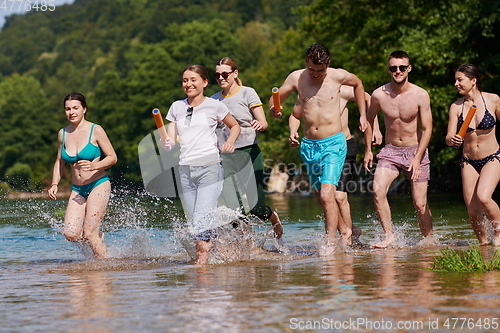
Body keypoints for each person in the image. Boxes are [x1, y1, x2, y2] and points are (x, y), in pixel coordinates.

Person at [270, 44, 368, 252]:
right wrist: (274, 109)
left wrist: (362, 114)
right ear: (307, 63)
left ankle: (330, 243)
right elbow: (277, 100)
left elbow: (359, 84)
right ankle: (346, 231)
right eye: (312, 70)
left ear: (328, 64)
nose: (315, 75)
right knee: (321, 198)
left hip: (334, 142)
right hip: (309, 146)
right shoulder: (296, 77)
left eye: (320, 71)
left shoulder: (338, 76)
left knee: (327, 195)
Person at [161, 65, 240, 265]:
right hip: (185, 170)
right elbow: (171, 138)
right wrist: (168, 143)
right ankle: (223, 249)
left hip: (210, 168)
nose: (188, 84)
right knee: (194, 222)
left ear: (204, 82)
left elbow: (235, 126)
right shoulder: (176, 107)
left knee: (201, 220)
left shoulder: (215, 106)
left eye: (193, 79)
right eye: (185, 80)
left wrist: (230, 141)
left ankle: (201, 266)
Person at [293, 87, 382, 245]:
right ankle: (348, 230)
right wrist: (293, 131)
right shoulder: (309, 92)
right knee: (323, 198)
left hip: (344, 147)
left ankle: (348, 240)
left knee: (339, 196)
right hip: (317, 149)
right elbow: (296, 114)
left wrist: (375, 125)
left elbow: (369, 99)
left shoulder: (343, 90)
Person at [363, 50, 433, 248]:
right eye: (394, 68)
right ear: (389, 70)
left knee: (419, 204)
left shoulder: (420, 95)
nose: (398, 71)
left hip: (415, 150)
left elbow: (428, 129)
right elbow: (367, 120)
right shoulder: (378, 95)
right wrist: (368, 149)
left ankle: (428, 241)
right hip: (391, 151)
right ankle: (389, 235)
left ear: (409, 68)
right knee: (377, 190)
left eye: (402, 67)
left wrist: (418, 158)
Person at [211, 57, 283, 244]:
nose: (221, 78)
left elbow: (265, 122)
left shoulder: (247, 93)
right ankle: (245, 247)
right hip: (225, 157)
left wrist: (260, 123)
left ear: (235, 74)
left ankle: (272, 216)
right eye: (217, 75)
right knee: (231, 209)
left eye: (225, 74)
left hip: (249, 152)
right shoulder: (213, 100)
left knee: (256, 208)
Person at [48, 92, 117, 259]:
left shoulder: (96, 130)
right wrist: (55, 183)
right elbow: (59, 161)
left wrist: (95, 165)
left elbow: (113, 157)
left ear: (84, 109)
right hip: (77, 189)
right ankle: (98, 245)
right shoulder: (62, 133)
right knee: (70, 233)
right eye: (67, 109)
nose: (71, 112)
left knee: (90, 232)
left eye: (75, 108)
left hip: (98, 184)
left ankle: (103, 269)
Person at [445, 64, 500, 245]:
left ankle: (498, 236)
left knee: (484, 197)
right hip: (468, 161)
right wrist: (452, 139)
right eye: (456, 80)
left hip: (492, 157)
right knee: (473, 210)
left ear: (473, 80)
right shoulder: (456, 107)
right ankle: (484, 245)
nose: (456, 83)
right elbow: (448, 137)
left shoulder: (493, 100)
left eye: (460, 80)